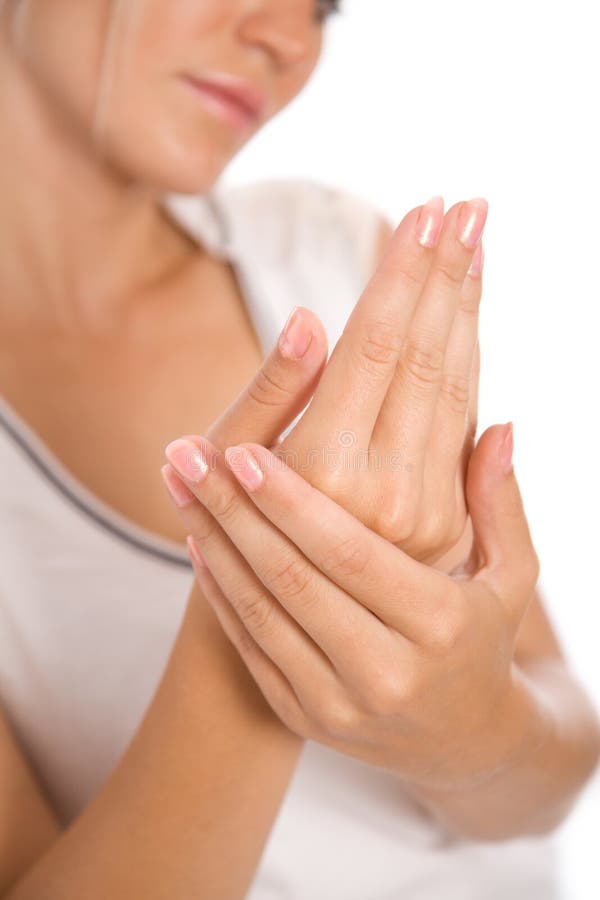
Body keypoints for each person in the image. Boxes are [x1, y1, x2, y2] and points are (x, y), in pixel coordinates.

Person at [0, 1, 598, 898]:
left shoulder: (322, 251)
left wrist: (476, 733)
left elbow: (554, 743)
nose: (290, 40)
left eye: (323, 5)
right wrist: (277, 597)